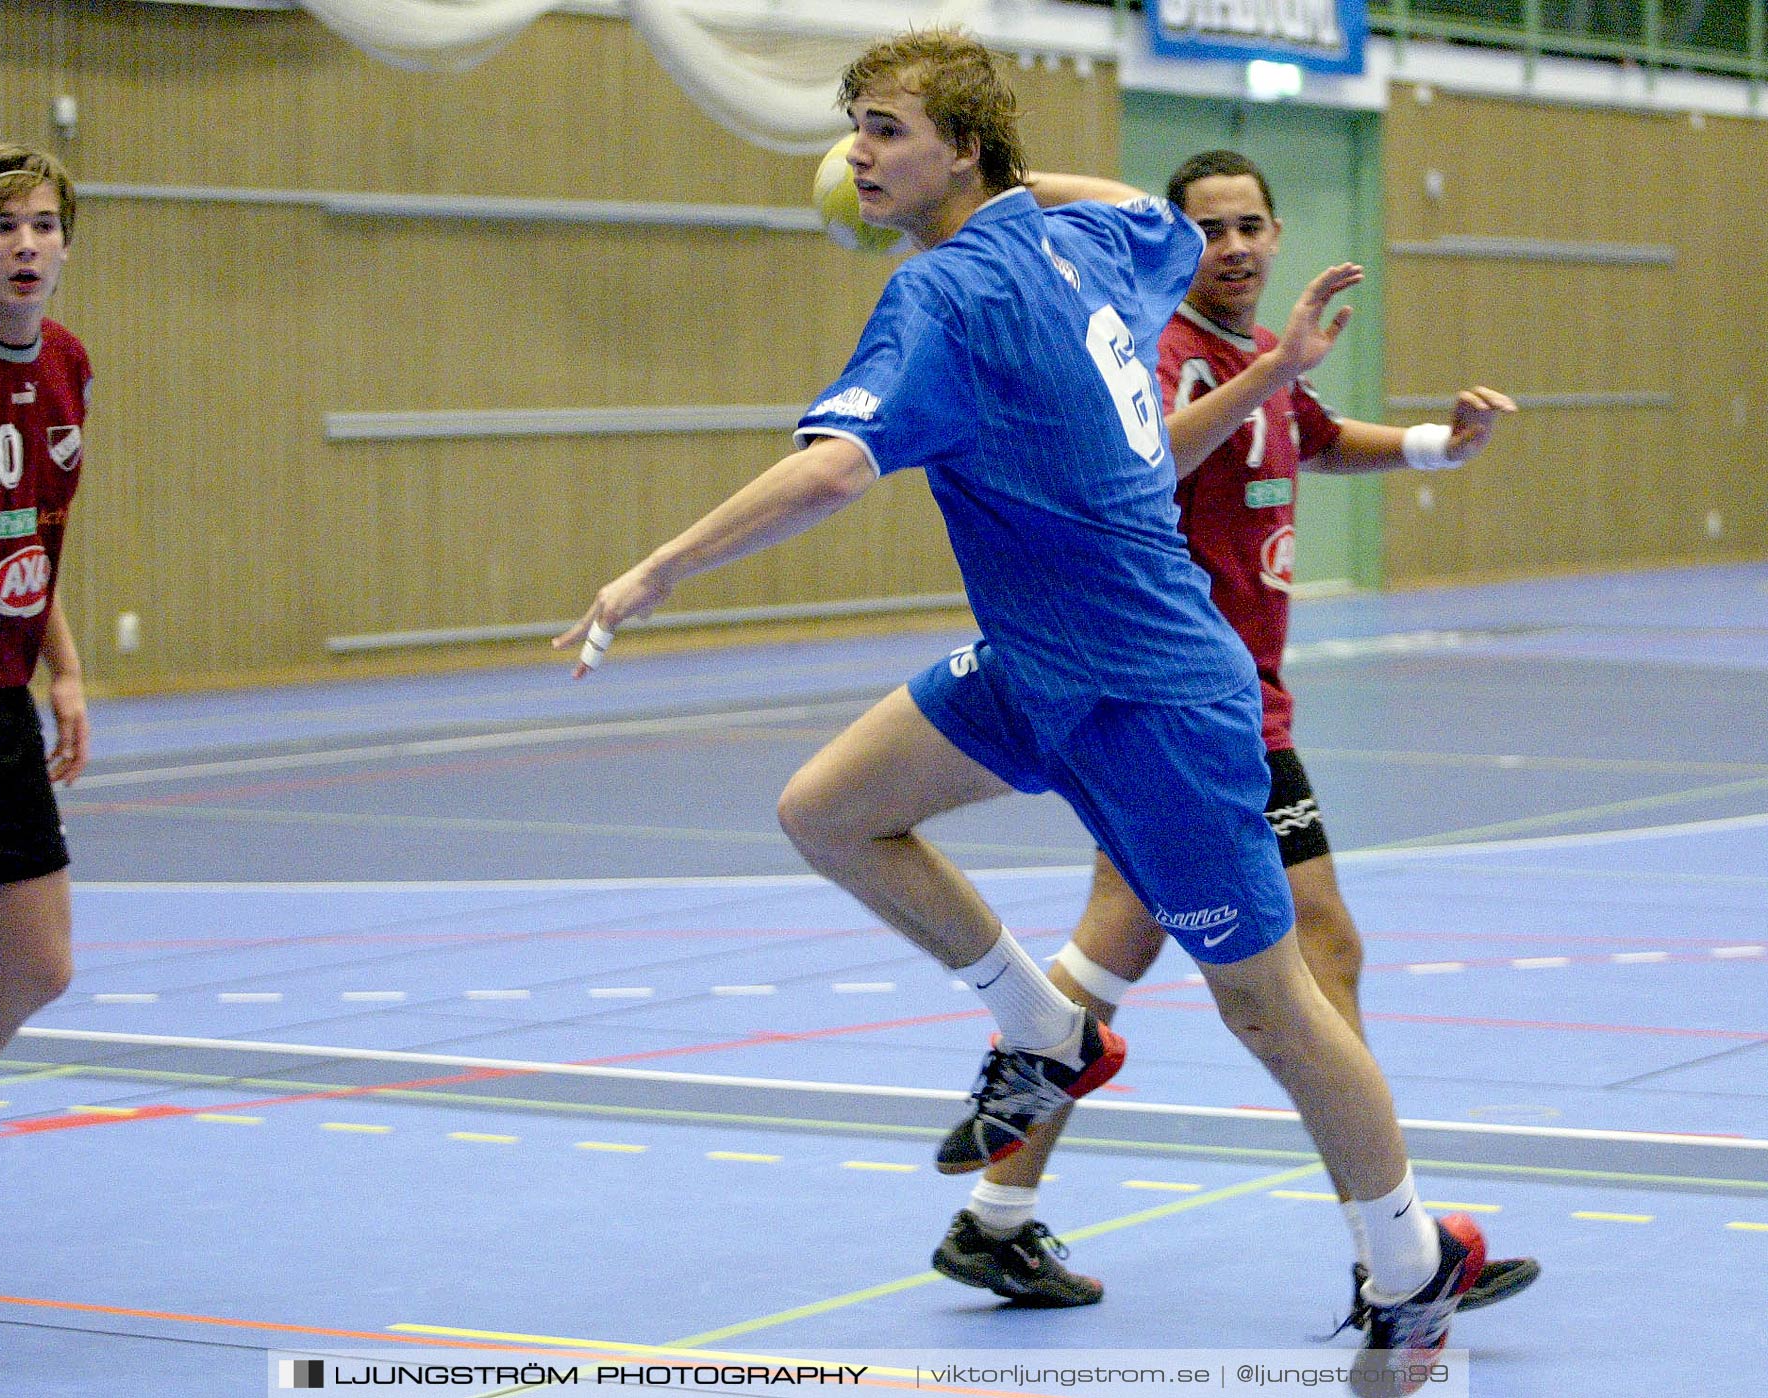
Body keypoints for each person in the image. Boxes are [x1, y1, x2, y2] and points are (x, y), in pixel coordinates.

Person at [560, 34, 1497, 1393]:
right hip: (1030, 665)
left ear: (965, 149)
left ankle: (1411, 1270)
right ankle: (1047, 1028)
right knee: (829, 808)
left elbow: (832, 474)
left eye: (884, 130)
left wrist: (650, 572)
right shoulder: (1099, 245)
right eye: (856, 129)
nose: (857, 155)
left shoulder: (940, 296)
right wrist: (987, 167)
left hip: (1157, 694)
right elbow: (1142, 207)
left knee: (1273, 1005)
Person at [923, 149, 1540, 1337]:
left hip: (1223, 708)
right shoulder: (1154, 347)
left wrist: (1428, 446)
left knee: (1111, 959)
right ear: (1171, 242)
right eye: (1211, 230)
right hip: (1193, 710)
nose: (1240, 247)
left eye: (1255, 222)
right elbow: (1155, 456)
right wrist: (1270, 372)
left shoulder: (1252, 364)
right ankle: (1394, 1252)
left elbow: (1306, 435)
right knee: (1320, 955)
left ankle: (995, 1219)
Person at [0, 143, 90, 1369]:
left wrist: (63, 665)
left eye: (45, 226)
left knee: (39, 964)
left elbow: (36, 534)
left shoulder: (65, 367)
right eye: (3, 226)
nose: (25, 246)